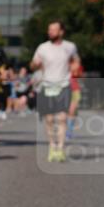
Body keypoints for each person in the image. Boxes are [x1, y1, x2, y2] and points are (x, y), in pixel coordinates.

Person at [32, 20, 81, 162]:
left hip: (64, 85)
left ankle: (60, 149)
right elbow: (33, 64)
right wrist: (35, 64)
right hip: (47, 85)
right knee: (48, 119)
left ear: (61, 32)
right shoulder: (42, 48)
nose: (50, 32)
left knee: (62, 118)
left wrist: (75, 66)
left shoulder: (70, 47)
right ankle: (52, 146)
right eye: (49, 30)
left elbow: (76, 60)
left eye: (53, 30)